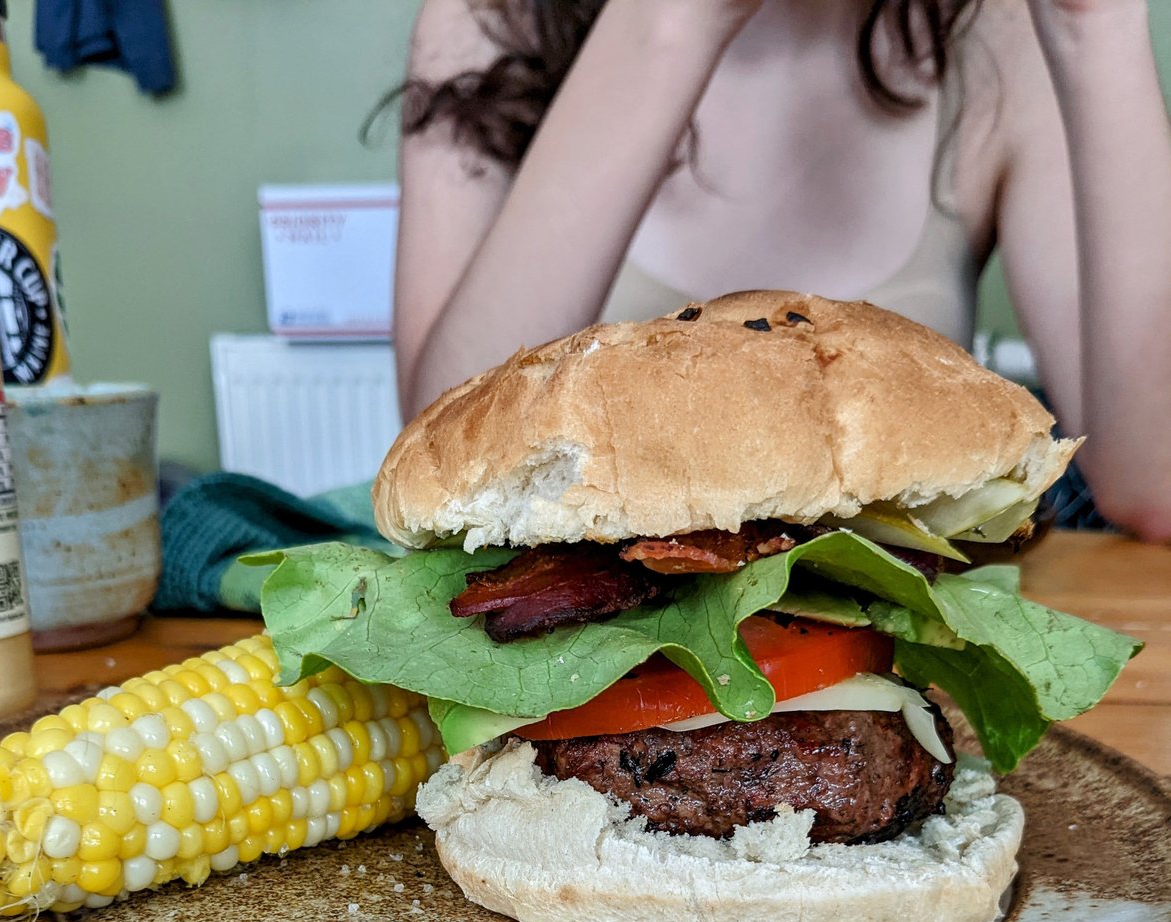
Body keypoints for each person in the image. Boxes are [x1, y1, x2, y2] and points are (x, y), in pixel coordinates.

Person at [389, 0, 1171, 540]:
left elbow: (1156, 490)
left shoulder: (996, 35)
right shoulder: (488, 19)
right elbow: (449, 477)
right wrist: (674, 22)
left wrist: (1093, 24)